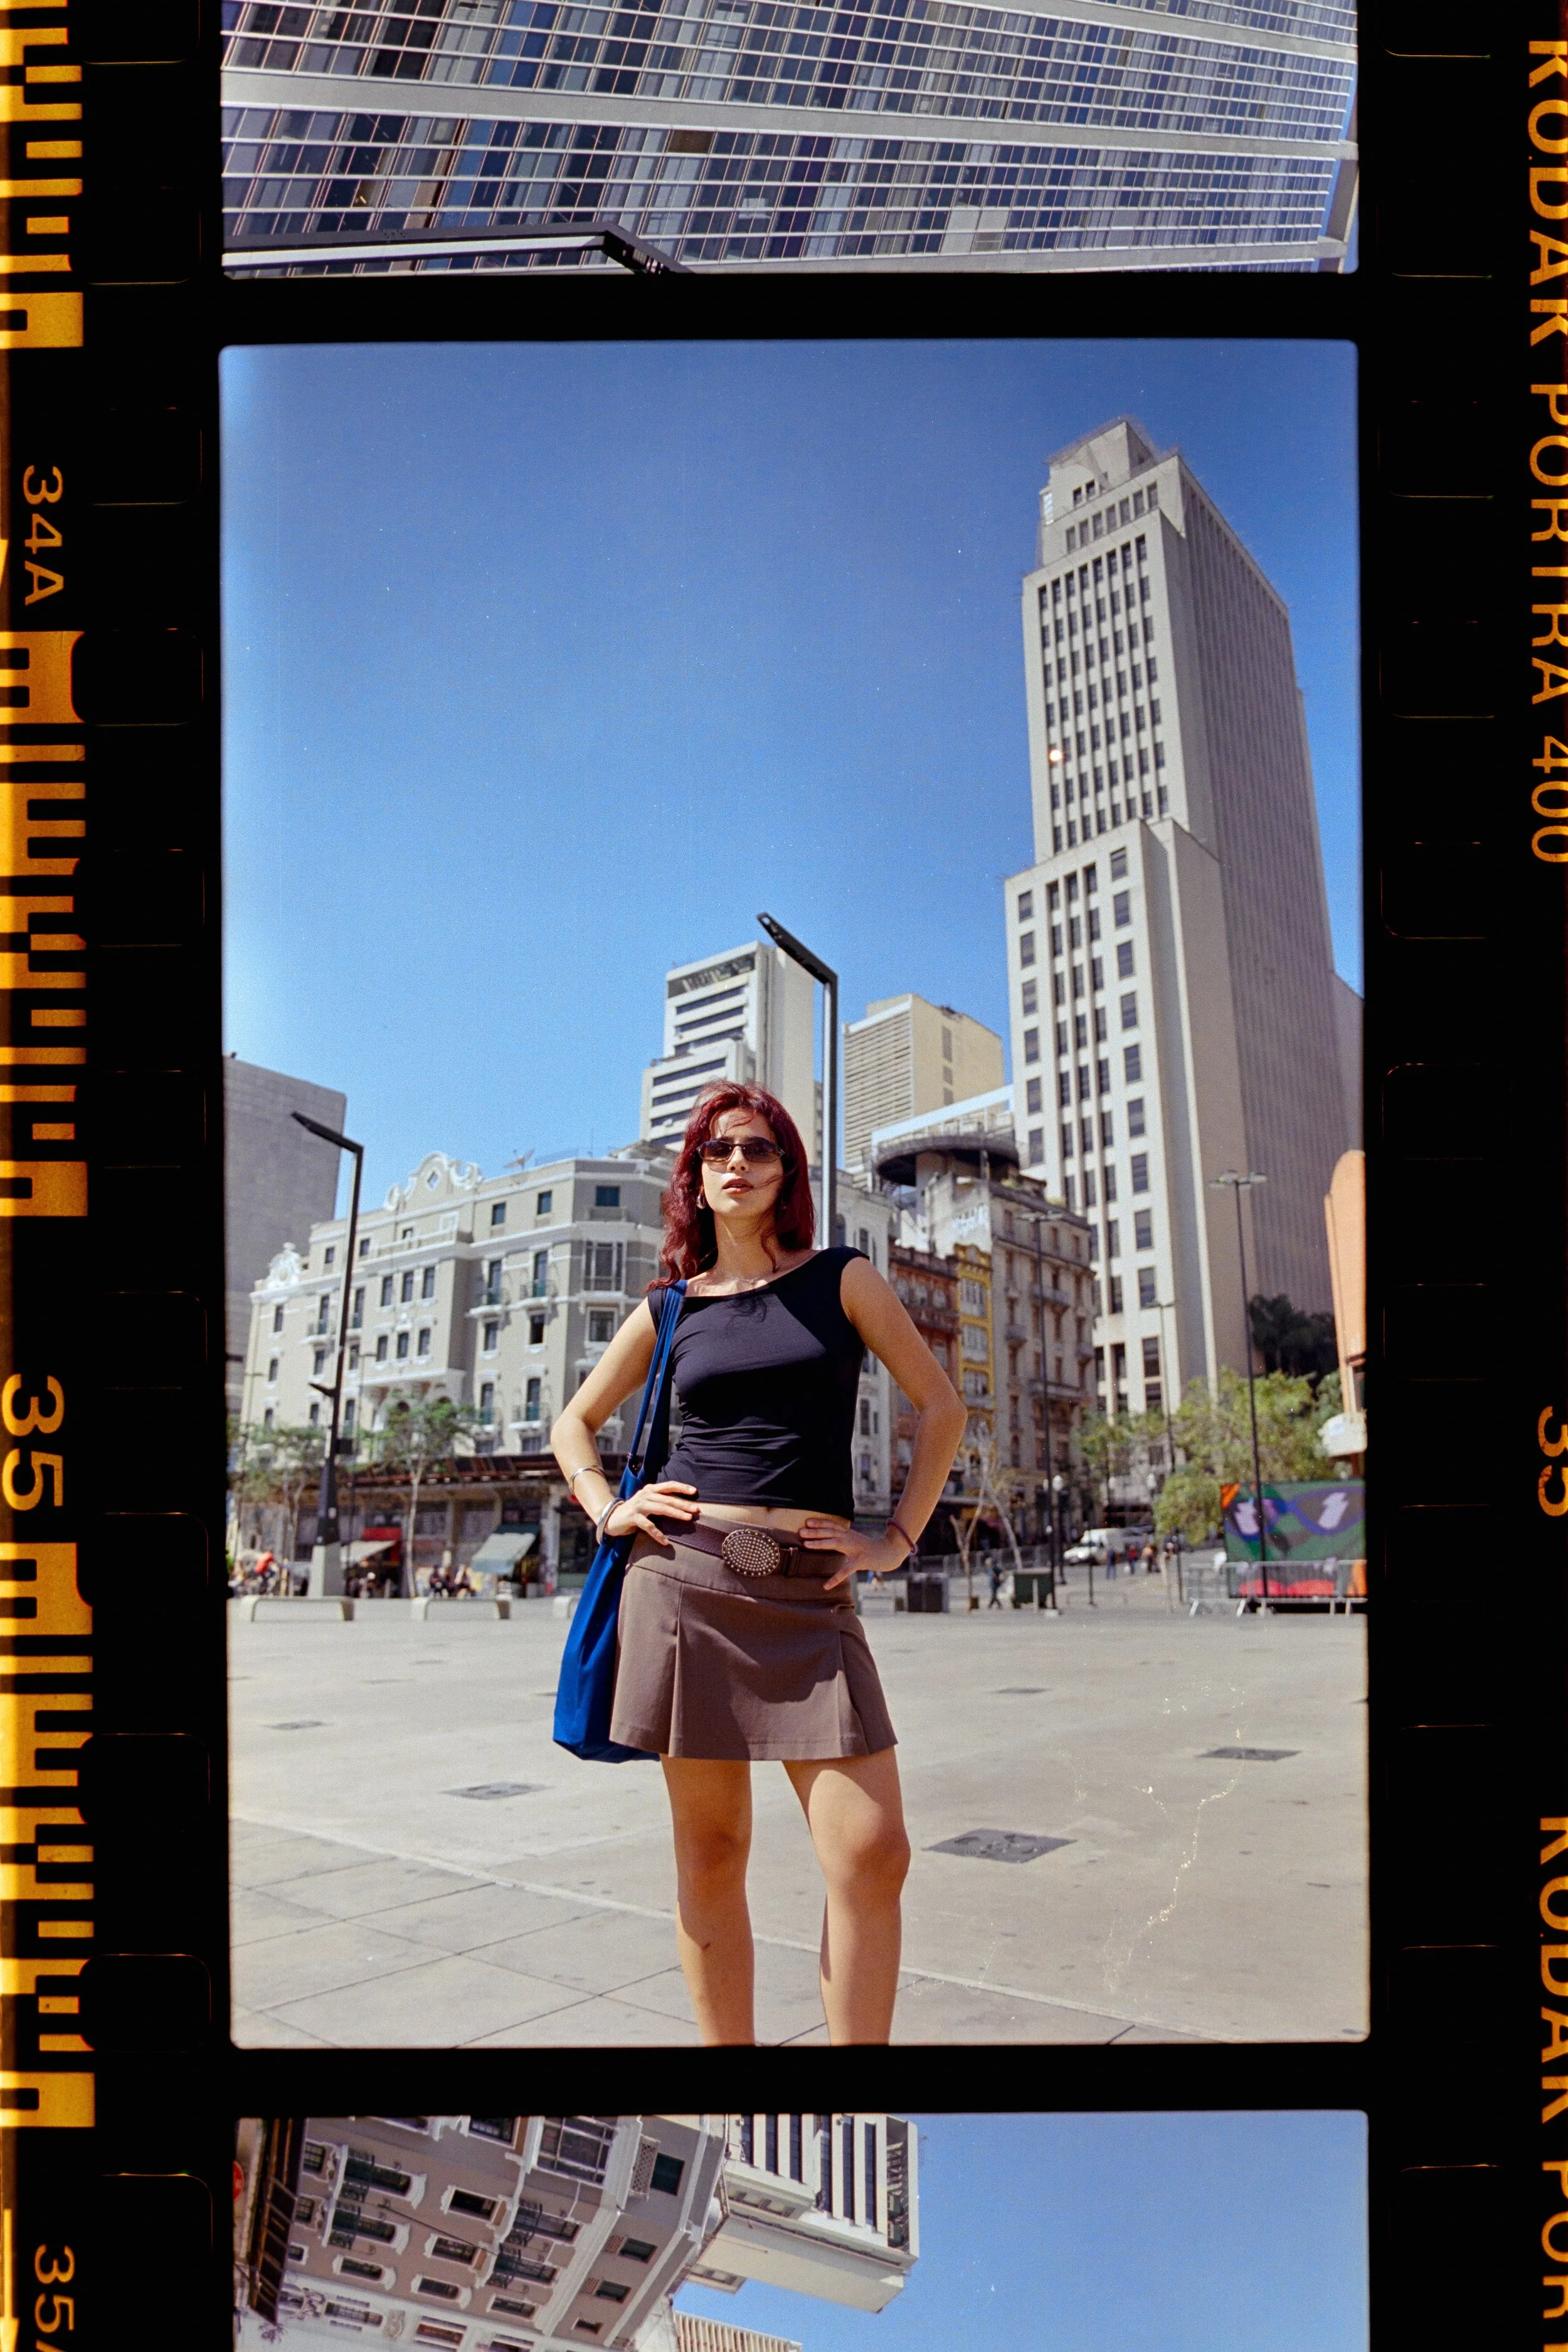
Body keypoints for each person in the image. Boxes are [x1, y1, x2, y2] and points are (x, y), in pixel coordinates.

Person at [552, 1083, 967, 2048]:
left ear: (787, 1173)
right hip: (684, 1586)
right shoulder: (669, 1306)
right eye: (717, 1150)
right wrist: (608, 1507)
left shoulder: (842, 1278)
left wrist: (896, 1538)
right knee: (711, 1851)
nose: (736, 1162)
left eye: (758, 1148)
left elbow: (941, 1406)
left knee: (873, 1852)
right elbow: (575, 1421)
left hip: (812, 1599)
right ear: (695, 1179)